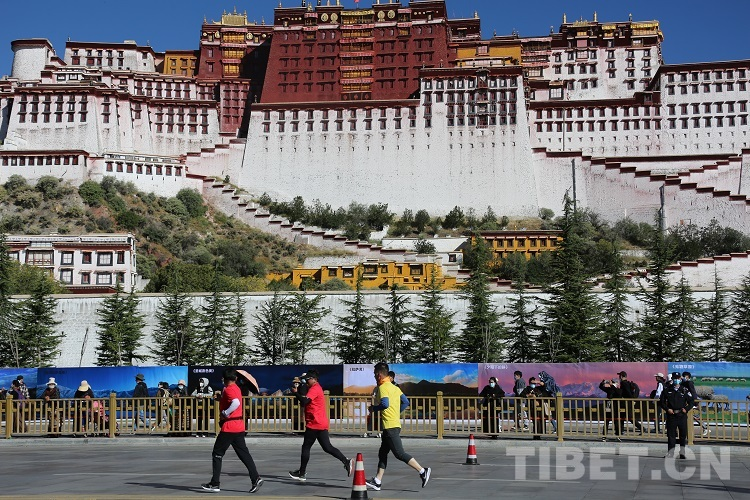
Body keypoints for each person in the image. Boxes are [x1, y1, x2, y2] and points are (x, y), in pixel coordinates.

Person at [366, 362, 430, 492]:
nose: (374, 377)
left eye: (374, 374)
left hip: (390, 426)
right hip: (393, 424)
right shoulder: (394, 387)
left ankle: (423, 471)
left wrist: (373, 408)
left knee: (399, 453)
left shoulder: (383, 387)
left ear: (379, 375)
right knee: (382, 453)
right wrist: (396, 412)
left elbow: (385, 404)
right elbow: (406, 402)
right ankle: (377, 481)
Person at [201, 368, 264, 494]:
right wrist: (221, 399)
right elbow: (232, 400)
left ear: (224, 379)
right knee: (244, 454)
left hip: (229, 427)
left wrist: (225, 413)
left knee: (217, 453)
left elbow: (235, 402)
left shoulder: (229, 389)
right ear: (235, 379)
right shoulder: (235, 388)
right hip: (238, 426)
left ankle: (215, 483)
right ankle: (256, 478)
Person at [288, 369, 354, 482]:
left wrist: (295, 393)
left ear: (314, 379)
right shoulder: (315, 388)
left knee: (306, 447)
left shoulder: (315, 389)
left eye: (308, 379)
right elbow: (305, 400)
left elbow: (305, 401)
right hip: (320, 423)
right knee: (327, 447)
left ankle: (302, 473)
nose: (306, 381)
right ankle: (346, 461)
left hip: (314, 423)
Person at [660, 372, 694, 459]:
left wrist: (686, 409)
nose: (676, 380)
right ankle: (670, 453)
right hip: (671, 415)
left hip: (681, 415)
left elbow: (691, 401)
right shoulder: (667, 390)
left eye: (678, 378)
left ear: (680, 379)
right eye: (675, 378)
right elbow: (661, 402)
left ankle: (682, 453)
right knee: (671, 436)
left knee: (683, 435)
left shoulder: (684, 390)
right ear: (672, 379)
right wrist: (667, 409)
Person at [682, 372, 709, 437]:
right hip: (685, 403)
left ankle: (705, 428)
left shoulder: (690, 383)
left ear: (688, 377)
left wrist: (696, 403)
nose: (684, 378)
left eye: (685, 377)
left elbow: (693, 392)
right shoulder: (682, 384)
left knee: (696, 417)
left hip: (692, 403)